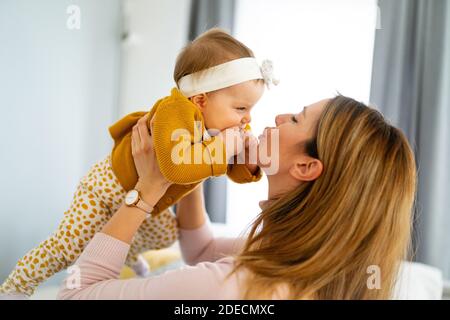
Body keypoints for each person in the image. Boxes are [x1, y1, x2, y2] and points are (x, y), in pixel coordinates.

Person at [0, 28, 275, 297]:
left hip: (147, 198)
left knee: (166, 234)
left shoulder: (223, 127)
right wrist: (222, 149)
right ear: (201, 100)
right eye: (241, 108)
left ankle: (128, 255)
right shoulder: (174, 112)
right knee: (68, 248)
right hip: (105, 190)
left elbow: (232, 170)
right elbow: (174, 168)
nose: (247, 118)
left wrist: (249, 162)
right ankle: (17, 285)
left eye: (250, 109)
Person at [57, 95, 417, 299]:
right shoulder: (307, 267)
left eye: (295, 119)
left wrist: (147, 189)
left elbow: (73, 295)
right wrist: (188, 169)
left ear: (306, 167)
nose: (278, 115)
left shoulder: (235, 288)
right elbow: (201, 250)